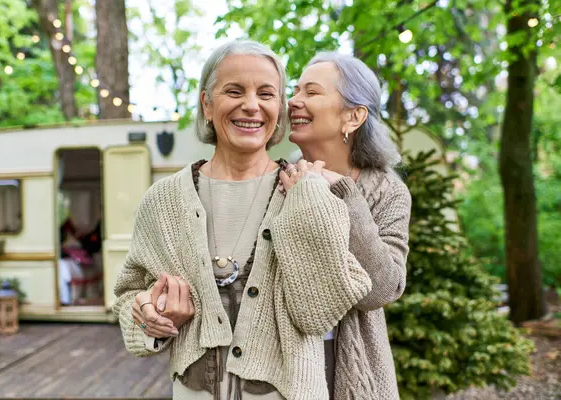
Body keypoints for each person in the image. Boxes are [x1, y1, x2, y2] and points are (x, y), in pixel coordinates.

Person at [112, 40, 372, 400]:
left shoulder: (307, 194)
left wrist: (307, 207)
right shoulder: (164, 200)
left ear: (280, 108)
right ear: (207, 103)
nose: (251, 105)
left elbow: (320, 312)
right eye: (234, 91)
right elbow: (128, 295)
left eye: (267, 94)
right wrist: (148, 314)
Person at [285, 52, 412, 399]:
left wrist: (344, 193)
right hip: (282, 362)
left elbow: (384, 288)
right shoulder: (277, 178)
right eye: (295, 91)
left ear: (354, 116)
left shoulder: (387, 191)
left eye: (311, 92)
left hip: (350, 365)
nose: (293, 101)